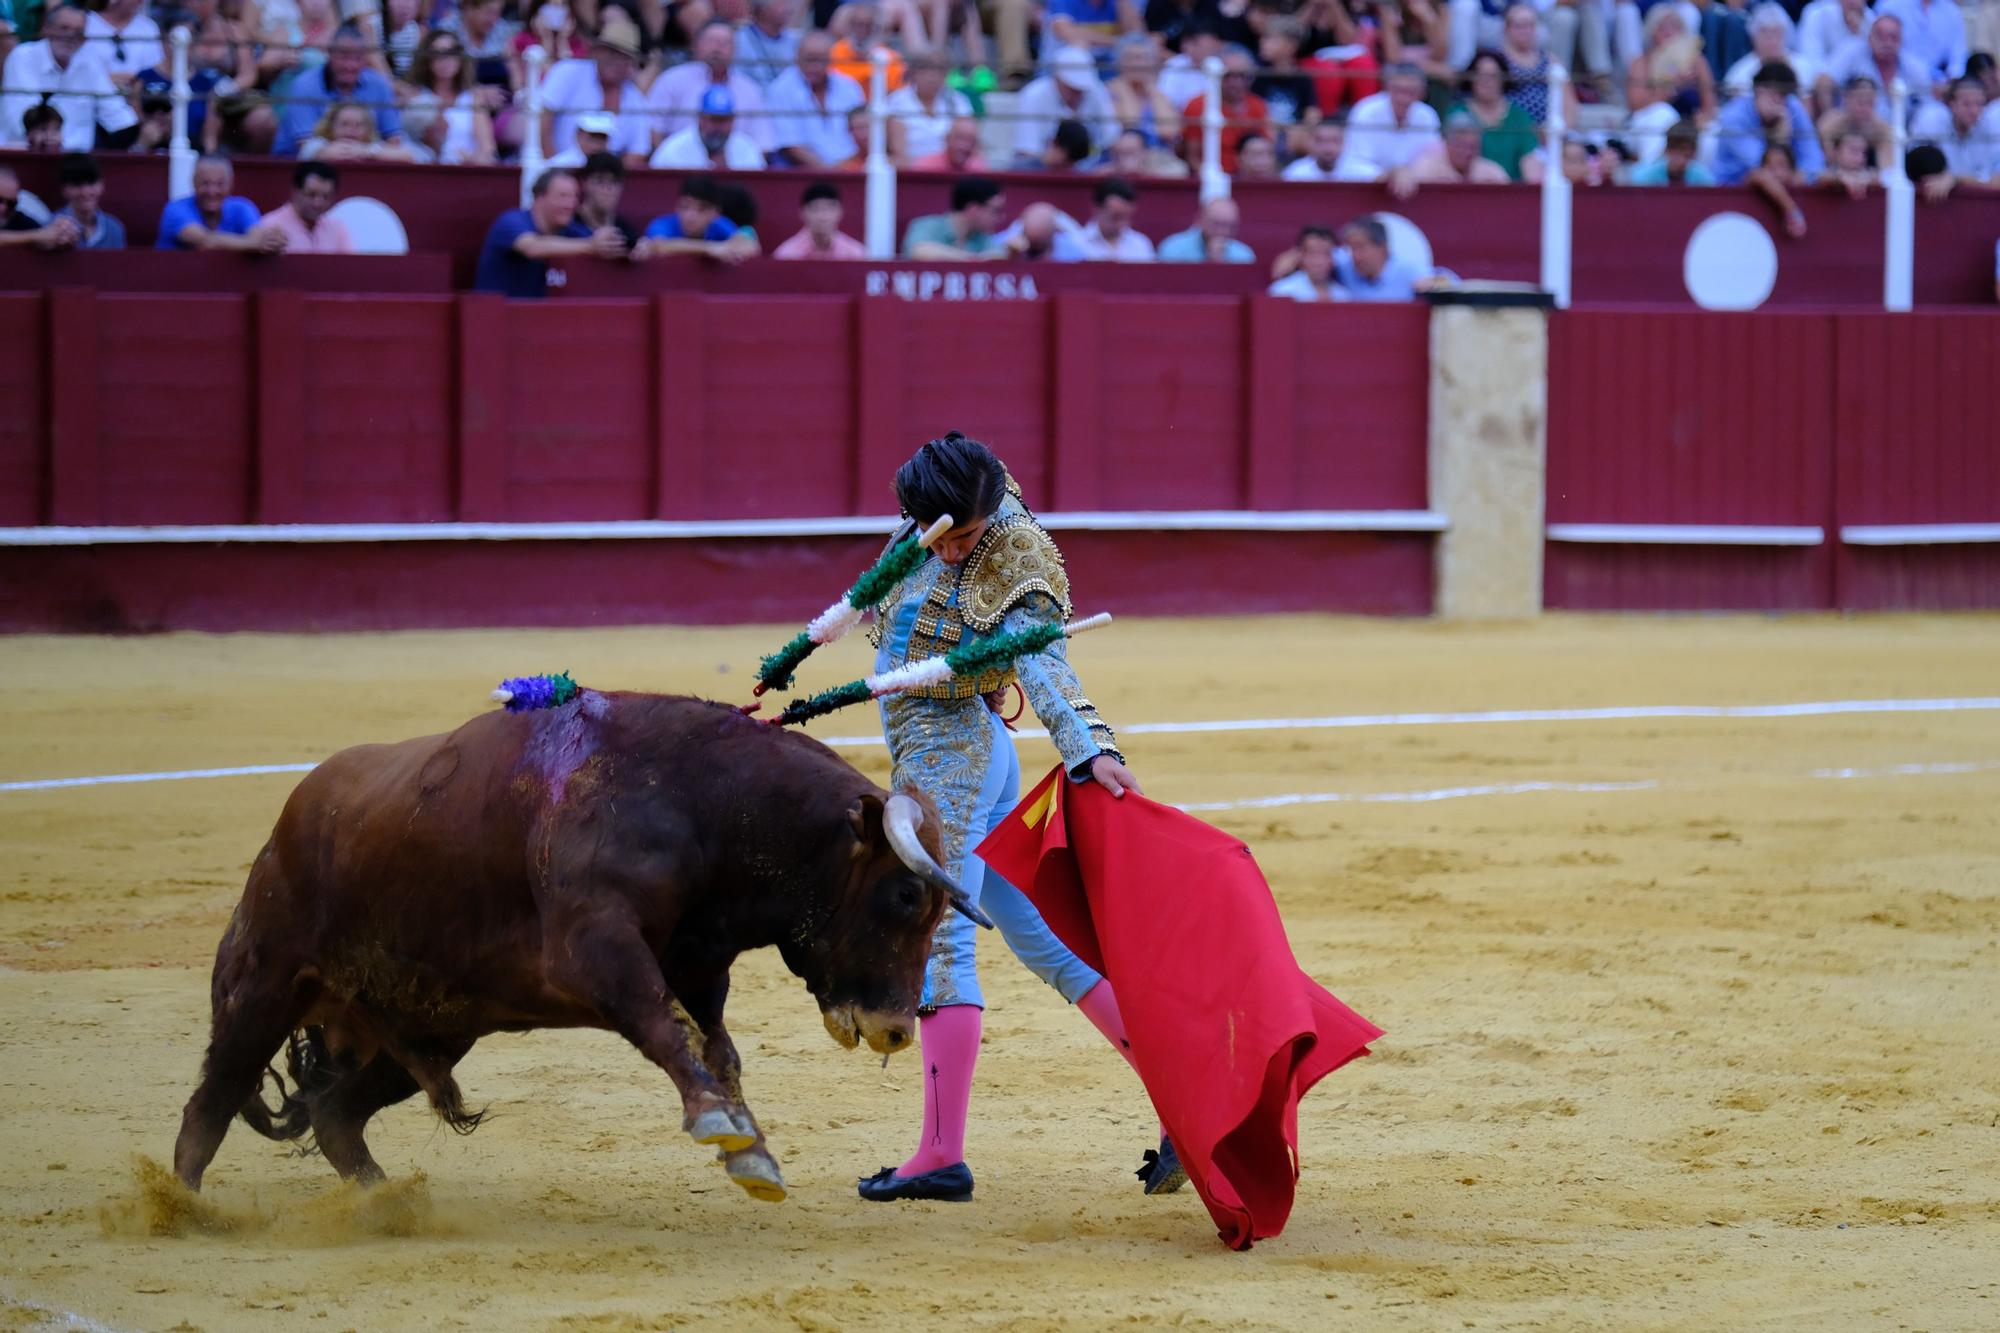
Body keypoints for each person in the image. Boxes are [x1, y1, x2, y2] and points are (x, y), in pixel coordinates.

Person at [854, 431, 1164, 1205]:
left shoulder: (1012, 545)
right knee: (1044, 939)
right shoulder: (930, 511)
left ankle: (938, 1155)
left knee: (943, 936)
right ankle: (1180, 1103)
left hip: (949, 756)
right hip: (968, 745)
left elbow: (1042, 658)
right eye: (944, 537)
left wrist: (1089, 750)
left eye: (968, 535)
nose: (959, 550)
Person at [1, 4, 138, 150]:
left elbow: (117, 115)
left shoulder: (90, 61)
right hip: (28, 156)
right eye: (64, 28)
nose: (70, 36)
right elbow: (21, 123)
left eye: (78, 32)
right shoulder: (23, 57)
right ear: (47, 29)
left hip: (78, 164)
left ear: (85, 38)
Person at [473, 168, 625, 297]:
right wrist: (590, 246)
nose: (571, 204)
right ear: (539, 197)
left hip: (541, 319)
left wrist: (635, 248)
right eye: (563, 196)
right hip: (494, 319)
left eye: (575, 197)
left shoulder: (571, 229)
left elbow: (601, 243)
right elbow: (532, 247)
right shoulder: (511, 221)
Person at [540, 13, 656, 167]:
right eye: (610, 52)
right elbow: (542, 120)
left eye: (623, 56)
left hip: (604, 182)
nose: (615, 60)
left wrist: (608, 177)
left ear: (632, 64)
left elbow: (638, 152)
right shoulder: (567, 71)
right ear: (597, 51)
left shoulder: (636, 101)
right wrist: (554, 168)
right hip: (555, 171)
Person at [274, 22, 403, 156]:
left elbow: (394, 140)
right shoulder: (304, 86)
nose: (350, 65)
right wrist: (350, 153)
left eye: (357, 58)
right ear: (329, 54)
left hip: (364, 163)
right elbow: (305, 145)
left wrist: (368, 152)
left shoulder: (379, 85)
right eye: (344, 57)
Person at [649, 18, 773, 155]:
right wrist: (668, 162)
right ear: (695, 45)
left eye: (725, 43)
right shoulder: (672, 80)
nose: (717, 48)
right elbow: (653, 129)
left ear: (735, 50)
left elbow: (763, 144)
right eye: (711, 41)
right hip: (680, 166)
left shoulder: (750, 89)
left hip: (734, 169)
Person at [1714, 61, 1825, 186]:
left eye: (1783, 95)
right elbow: (1764, 165)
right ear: (1757, 91)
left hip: (1786, 187)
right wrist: (1781, 140)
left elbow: (1814, 160)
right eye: (1773, 94)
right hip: (1734, 191)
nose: (1779, 101)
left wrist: (1805, 175)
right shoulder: (1733, 117)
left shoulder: (1792, 106)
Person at [767, 28, 867, 166]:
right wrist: (831, 173)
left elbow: (863, 133)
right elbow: (791, 146)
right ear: (797, 58)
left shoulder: (849, 86)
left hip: (851, 167)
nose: (814, 66)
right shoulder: (780, 89)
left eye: (820, 60)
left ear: (830, 59)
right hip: (805, 172)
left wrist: (849, 167)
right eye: (809, 59)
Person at [1014, 44, 1120, 166]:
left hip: (1092, 167)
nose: (1078, 94)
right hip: (1045, 169)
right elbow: (1027, 151)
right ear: (1057, 78)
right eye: (1072, 88)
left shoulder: (1096, 90)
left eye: (1081, 90)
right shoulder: (1033, 95)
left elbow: (1112, 137)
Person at [157, 155, 286, 252]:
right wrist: (254, 244)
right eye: (205, 183)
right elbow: (204, 241)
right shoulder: (175, 209)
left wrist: (272, 240)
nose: (212, 191)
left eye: (220, 184)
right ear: (193, 182)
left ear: (231, 185)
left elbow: (258, 236)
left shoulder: (242, 207)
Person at [1179, 44, 1272, 173]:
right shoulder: (1197, 106)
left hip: (1249, 180)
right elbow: (1192, 157)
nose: (1235, 82)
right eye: (1228, 76)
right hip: (1211, 181)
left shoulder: (1258, 106)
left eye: (1242, 76)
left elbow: (1266, 154)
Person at [1343, 62, 1443, 173]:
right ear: (1387, 88)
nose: (1403, 98)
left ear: (1422, 92)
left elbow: (1434, 157)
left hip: (1415, 181)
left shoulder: (1428, 115)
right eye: (1398, 90)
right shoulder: (1365, 111)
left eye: (1411, 92)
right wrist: (1390, 176)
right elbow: (1353, 161)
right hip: (1371, 184)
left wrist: (1408, 175)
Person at [1456, 48, 1540, 181]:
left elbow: (1530, 161)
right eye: (1481, 75)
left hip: (1511, 195)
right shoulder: (1457, 113)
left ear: (1503, 79)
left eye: (1493, 76)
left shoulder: (1518, 116)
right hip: (1469, 190)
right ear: (1471, 78)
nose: (1487, 81)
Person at [1388, 109, 1511, 195]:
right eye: (1461, 146)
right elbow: (1404, 179)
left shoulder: (1492, 172)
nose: (1467, 152)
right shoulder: (1426, 167)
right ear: (1447, 143)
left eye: (1473, 146)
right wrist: (1400, 172)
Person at [640, 174, 759, 262]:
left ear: (715, 213)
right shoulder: (662, 224)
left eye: (701, 209)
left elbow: (748, 247)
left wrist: (736, 245)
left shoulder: (721, 224)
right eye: (685, 207)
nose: (690, 216)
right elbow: (659, 246)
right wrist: (710, 248)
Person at [1332, 213, 1453, 299]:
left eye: (1361, 248)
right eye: (1352, 249)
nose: (1355, 256)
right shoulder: (1346, 266)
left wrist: (1436, 283)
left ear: (1382, 248)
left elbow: (1449, 282)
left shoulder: (1408, 272)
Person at [887, 48, 974, 164]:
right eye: (926, 69)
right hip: (911, 168)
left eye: (940, 70)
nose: (933, 76)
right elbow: (898, 150)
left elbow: (968, 142)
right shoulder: (897, 101)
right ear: (914, 72)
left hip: (951, 166)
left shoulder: (958, 100)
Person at [652, 85, 770, 168]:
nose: (718, 127)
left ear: (733, 120)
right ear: (701, 119)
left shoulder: (747, 149)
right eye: (714, 120)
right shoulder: (672, 150)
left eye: (724, 120)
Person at [259, 160, 354, 253]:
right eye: (311, 195)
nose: (318, 203)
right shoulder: (270, 225)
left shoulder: (337, 228)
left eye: (326, 197)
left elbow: (349, 266)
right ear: (295, 191)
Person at [902, 174, 1007, 258]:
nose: (999, 217)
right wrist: (972, 259)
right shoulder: (926, 225)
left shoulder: (983, 237)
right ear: (973, 209)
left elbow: (997, 256)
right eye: (995, 211)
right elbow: (918, 250)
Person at [773, 179, 867, 258]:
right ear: (803, 213)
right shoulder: (787, 254)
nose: (822, 216)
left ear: (840, 211)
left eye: (829, 208)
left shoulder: (855, 254)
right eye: (815, 209)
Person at [52, 152, 124, 248]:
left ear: (101, 185)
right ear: (64, 189)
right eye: (77, 184)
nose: (85, 193)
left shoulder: (114, 228)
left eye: (91, 183)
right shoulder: (51, 227)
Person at [575, 152, 644, 250]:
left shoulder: (626, 232)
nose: (607, 190)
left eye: (614, 182)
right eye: (600, 181)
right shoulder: (568, 224)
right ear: (585, 183)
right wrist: (589, 245)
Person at [0, 166, 81, 250]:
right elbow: (39, 235)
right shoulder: (32, 234)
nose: (3, 208)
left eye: (11, 203)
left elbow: (45, 239)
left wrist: (62, 236)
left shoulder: (19, 219)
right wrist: (35, 236)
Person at [1156, 195, 1254, 262]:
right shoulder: (1173, 248)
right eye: (1217, 224)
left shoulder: (1244, 255)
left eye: (1231, 226)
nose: (1224, 231)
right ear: (1200, 221)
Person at [1076, 176, 1154, 259]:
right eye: (1115, 217)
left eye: (1126, 217)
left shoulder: (1141, 244)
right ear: (1097, 209)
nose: (1121, 224)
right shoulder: (1076, 243)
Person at [1626, 116, 1717, 184]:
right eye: (1675, 153)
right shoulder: (1643, 179)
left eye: (1686, 155)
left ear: (1694, 153)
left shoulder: (1704, 179)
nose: (1680, 161)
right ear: (1666, 150)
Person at [1281, 119, 1380, 181]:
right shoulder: (1296, 173)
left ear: (1344, 143)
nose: (1328, 148)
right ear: (1310, 142)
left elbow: (1383, 178)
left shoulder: (1360, 169)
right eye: (1320, 141)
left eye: (1334, 141)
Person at [1267, 223, 1342, 301]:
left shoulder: (1343, 295)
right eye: (1312, 253)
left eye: (1326, 253)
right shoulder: (1282, 291)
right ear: (1301, 255)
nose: (1319, 261)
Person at [909, 116, 990, 171]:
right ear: (947, 138)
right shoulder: (925, 167)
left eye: (970, 140)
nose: (963, 146)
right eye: (959, 138)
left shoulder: (978, 169)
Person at [547, 111, 617, 169]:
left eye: (602, 138)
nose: (596, 145)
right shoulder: (558, 165)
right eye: (592, 137)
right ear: (579, 135)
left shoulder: (614, 167)